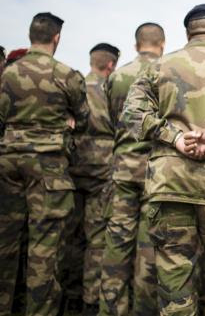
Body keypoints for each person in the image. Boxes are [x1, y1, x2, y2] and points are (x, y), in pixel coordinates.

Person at [120, 4, 205, 315]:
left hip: (170, 183)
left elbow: (132, 114)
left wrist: (175, 137)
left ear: (188, 33)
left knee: (175, 291)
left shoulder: (160, 67)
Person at [0, 12, 89, 316]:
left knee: (5, 246)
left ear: (30, 35)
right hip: (48, 168)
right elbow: (84, 120)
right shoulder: (66, 75)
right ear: (56, 38)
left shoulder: (7, 74)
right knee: (44, 252)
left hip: (8, 164)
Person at [99, 23, 165, 316]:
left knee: (116, 246)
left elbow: (113, 121)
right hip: (155, 172)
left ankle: (111, 310)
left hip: (123, 170)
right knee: (149, 248)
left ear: (136, 43)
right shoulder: (167, 72)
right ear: (161, 43)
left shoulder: (118, 75)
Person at [62, 43, 119, 314]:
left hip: (72, 167)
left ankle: (68, 296)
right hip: (102, 170)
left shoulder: (75, 87)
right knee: (96, 238)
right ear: (110, 65)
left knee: (70, 235)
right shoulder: (110, 90)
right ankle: (90, 300)